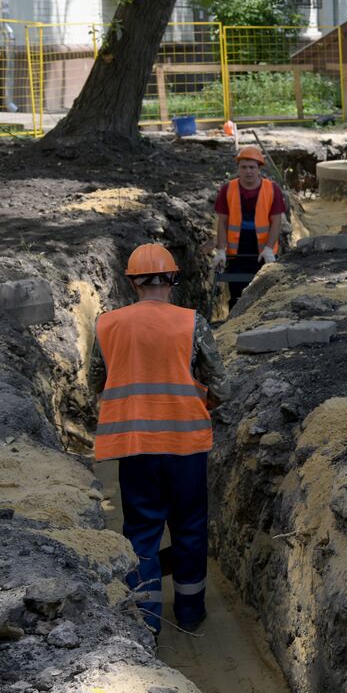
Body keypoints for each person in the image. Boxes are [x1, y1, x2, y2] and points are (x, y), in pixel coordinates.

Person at [89, 244, 229, 634]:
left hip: (135, 447)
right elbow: (222, 386)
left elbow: (96, 381)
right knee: (189, 526)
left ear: (132, 282)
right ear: (173, 279)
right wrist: (202, 399)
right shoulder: (192, 323)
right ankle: (190, 612)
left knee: (142, 528)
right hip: (186, 447)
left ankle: (146, 620)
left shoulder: (107, 324)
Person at [213, 145, 287, 306]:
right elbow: (222, 221)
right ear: (238, 168)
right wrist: (220, 250)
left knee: (264, 295)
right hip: (237, 254)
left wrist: (269, 249)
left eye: (252, 167)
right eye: (244, 167)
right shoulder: (228, 189)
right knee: (236, 295)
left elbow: (276, 222)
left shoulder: (271, 189)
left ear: (259, 168)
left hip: (262, 253)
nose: (248, 171)